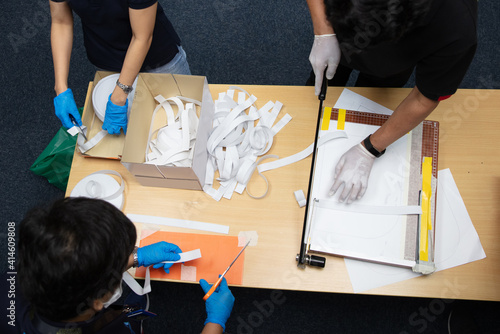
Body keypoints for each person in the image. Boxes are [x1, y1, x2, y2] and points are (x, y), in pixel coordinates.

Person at [306, 0, 477, 203]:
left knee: (371, 95)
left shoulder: (456, 26)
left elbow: (424, 98)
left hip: (390, 65)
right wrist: (324, 31)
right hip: (337, 36)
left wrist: (368, 149)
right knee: (311, 107)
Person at [17, 197, 234, 333]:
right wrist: (215, 322)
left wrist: (135, 258)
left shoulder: (37, 261)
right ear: (98, 300)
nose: (130, 255)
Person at [50, 0, 191, 135]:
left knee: (184, 123)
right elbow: (61, 22)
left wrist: (119, 96)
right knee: (126, 138)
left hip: (157, 61)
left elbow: (142, 37)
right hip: (108, 61)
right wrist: (61, 89)